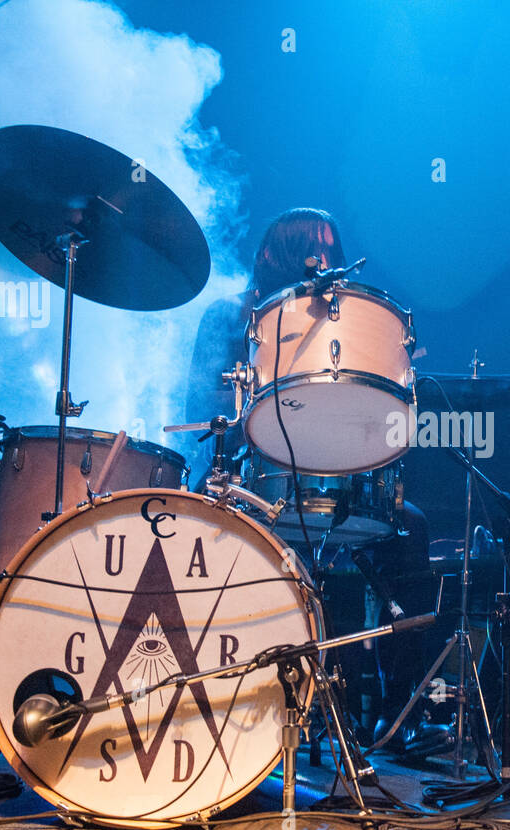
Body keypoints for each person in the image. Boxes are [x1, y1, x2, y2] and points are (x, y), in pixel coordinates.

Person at [184, 208, 443, 751]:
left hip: (339, 480)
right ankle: (267, 707)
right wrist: (255, 398)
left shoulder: (347, 320)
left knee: (410, 529)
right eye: (310, 247)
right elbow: (197, 407)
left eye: (331, 248)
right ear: (274, 255)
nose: (324, 259)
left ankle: (403, 715)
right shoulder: (230, 317)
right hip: (254, 478)